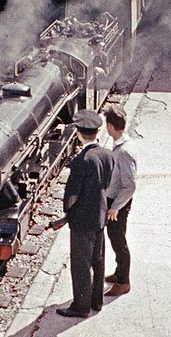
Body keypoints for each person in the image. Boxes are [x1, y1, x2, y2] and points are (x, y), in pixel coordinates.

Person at [56, 109, 114, 318]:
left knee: (81, 266)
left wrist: (67, 211)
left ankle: (80, 307)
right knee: (98, 262)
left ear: (79, 134)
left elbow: (72, 195)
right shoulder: (107, 155)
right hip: (100, 216)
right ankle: (96, 301)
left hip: (82, 222)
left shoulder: (82, 161)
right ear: (97, 132)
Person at [104, 105, 137, 296]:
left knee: (118, 242)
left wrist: (115, 207)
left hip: (118, 203)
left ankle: (124, 282)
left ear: (110, 126)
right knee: (115, 238)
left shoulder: (124, 152)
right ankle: (119, 273)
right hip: (116, 201)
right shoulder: (120, 145)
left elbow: (130, 185)